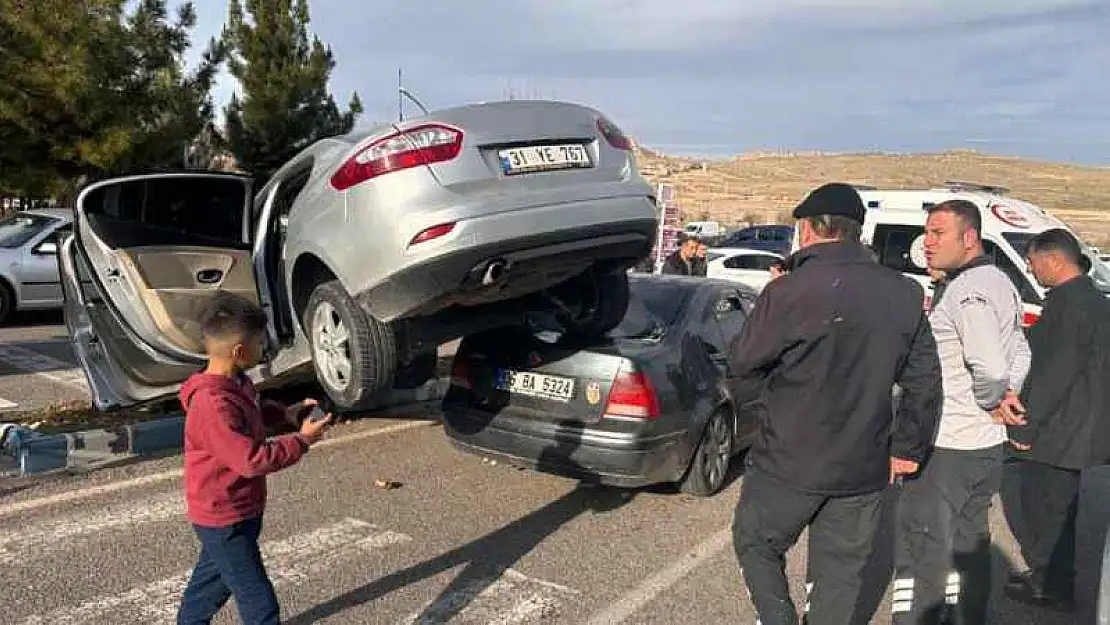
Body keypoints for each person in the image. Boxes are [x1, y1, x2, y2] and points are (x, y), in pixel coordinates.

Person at [730, 182, 943, 625]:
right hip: (861, 465)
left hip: (788, 460)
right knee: (841, 576)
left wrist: (770, 304)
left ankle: (777, 617)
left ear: (809, 230)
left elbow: (743, 363)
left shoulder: (789, 290)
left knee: (756, 542)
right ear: (855, 231)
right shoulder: (904, 293)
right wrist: (907, 449)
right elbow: (924, 379)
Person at [892, 199, 1031, 625]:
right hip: (984, 447)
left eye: (937, 234)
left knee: (923, 551)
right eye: (926, 233)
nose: (926, 244)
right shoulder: (999, 282)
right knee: (968, 546)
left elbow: (989, 364)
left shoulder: (970, 289)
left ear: (969, 238)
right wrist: (1007, 393)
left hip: (950, 445)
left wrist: (992, 399)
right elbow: (1020, 350)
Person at [176, 292, 333, 625]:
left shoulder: (236, 382)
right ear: (238, 351)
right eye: (260, 343)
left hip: (240, 508)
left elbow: (254, 411)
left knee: (211, 585)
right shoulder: (212, 405)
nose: (264, 349)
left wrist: (285, 415)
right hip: (223, 516)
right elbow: (251, 459)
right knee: (258, 600)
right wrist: (302, 440)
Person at [1004, 228, 1110, 612]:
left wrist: (1025, 427)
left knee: (1046, 511)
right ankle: (1053, 578)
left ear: (1052, 259)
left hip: (1060, 431)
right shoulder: (1093, 299)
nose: (1032, 271)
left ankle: (1052, 586)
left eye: (1032, 263)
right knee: (1061, 510)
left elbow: (1054, 375)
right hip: (1081, 427)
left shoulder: (1068, 305)